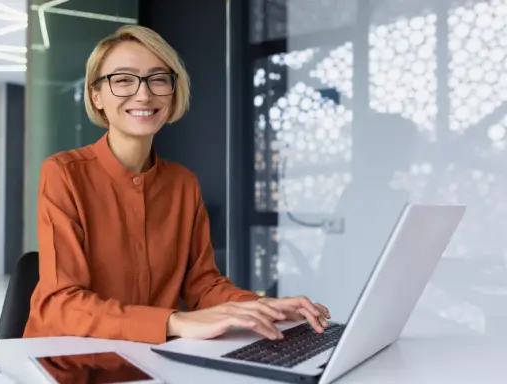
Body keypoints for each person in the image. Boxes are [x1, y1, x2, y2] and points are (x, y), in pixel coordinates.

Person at [22, 25, 330, 345]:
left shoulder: (183, 184)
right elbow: (62, 303)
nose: (144, 94)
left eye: (158, 79)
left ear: (173, 91)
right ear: (95, 95)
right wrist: (174, 321)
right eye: (123, 80)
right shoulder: (64, 174)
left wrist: (262, 307)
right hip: (63, 356)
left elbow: (203, 286)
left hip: (151, 356)